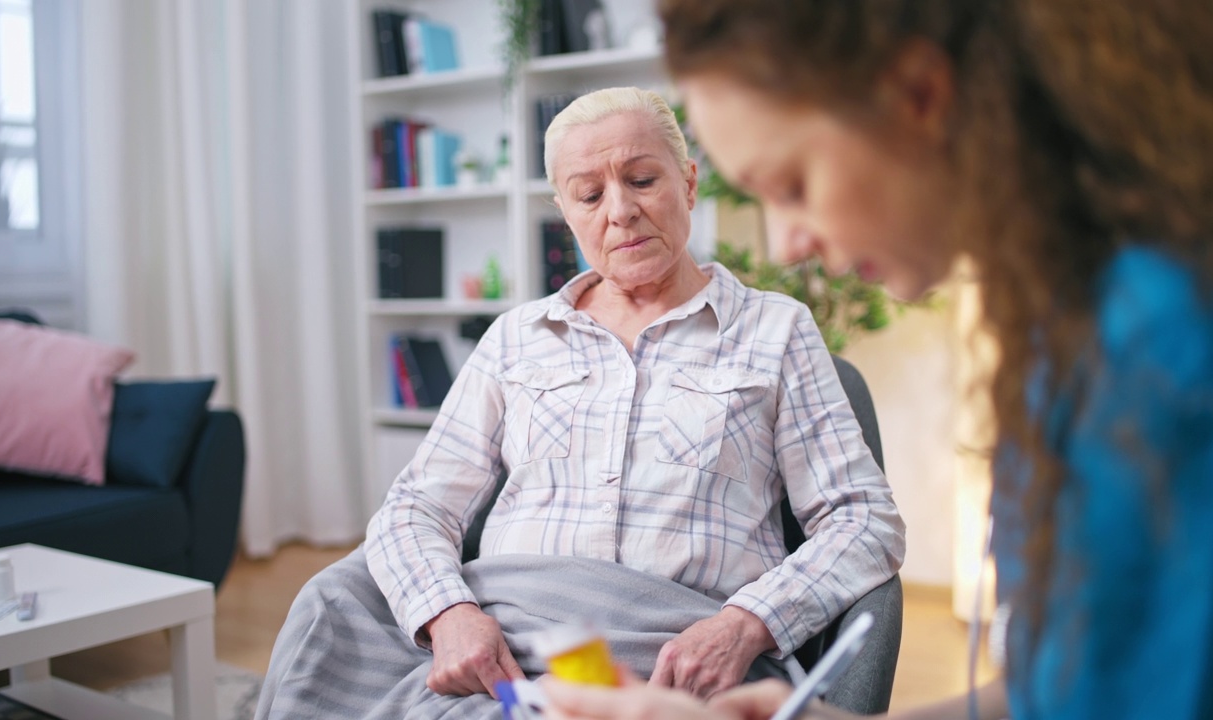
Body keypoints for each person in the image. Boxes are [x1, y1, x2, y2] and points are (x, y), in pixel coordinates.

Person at [542, 0, 1213, 719]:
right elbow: (1070, 691)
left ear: (919, 98)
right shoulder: (1078, 323)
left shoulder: (1167, 349)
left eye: (793, 186)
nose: (788, 243)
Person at [254, 87, 904, 719]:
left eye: (643, 180)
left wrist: (747, 623)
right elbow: (418, 506)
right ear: (565, 213)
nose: (618, 210)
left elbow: (864, 520)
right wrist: (448, 614)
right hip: (504, 642)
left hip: (667, 650)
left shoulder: (774, 330)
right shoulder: (517, 337)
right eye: (589, 194)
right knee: (330, 613)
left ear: (689, 183)